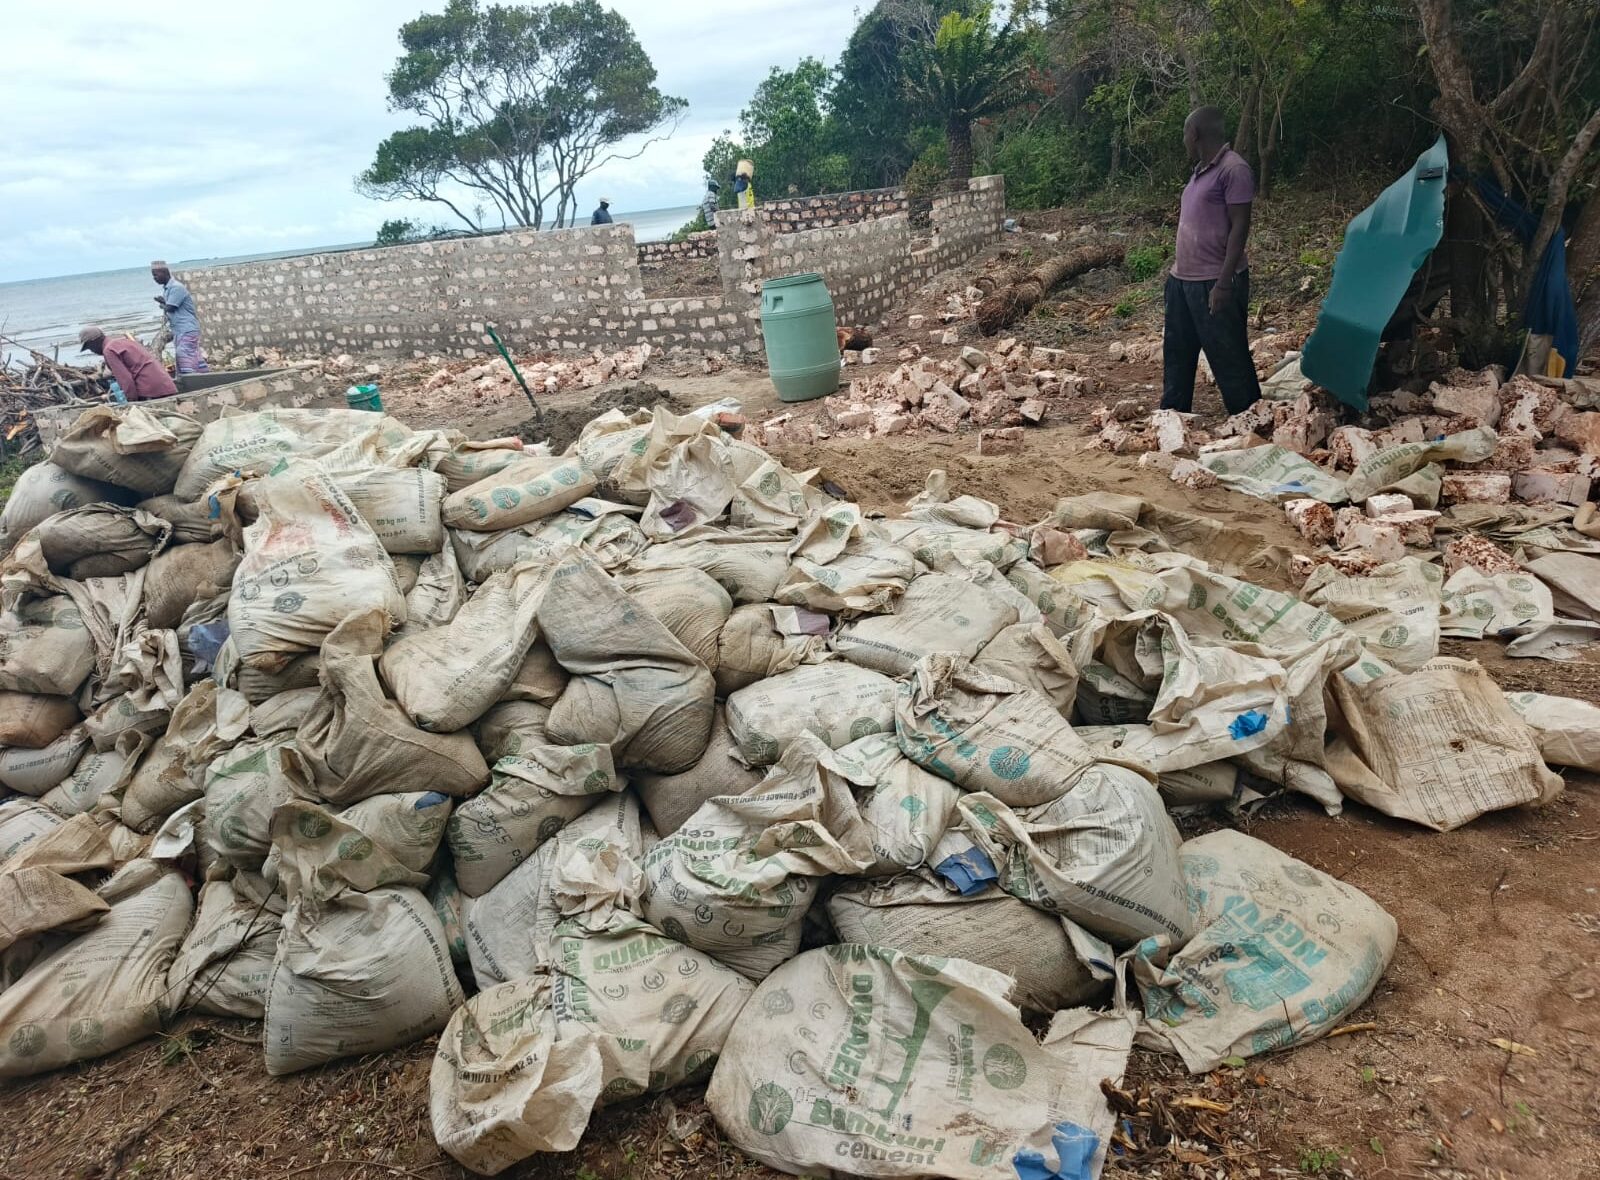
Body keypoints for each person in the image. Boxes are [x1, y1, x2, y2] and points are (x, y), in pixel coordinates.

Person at [1162, 107, 1261, 415]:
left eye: (1184, 134)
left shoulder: (1234, 170)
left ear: (1195, 134)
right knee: (1178, 354)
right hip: (1183, 281)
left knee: (1228, 356)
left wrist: (1223, 282)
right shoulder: (1199, 172)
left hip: (1213, 281)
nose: (1183, 140)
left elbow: (1240, 227)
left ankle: (1249, 419)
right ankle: (1172, 418)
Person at [79, 326, 177, 401]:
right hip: (165, 383)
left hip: (151, 390)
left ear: (94, 342)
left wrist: (131, 402)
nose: (92, 351)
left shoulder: (109, 350)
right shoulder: (123, 341)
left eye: (90, 347)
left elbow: (125, 380)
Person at [151, 260, 209, 374]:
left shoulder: (176, 288)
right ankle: (205, 377)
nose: (154, 278)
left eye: (156, 275)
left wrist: (163, 304)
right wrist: (164, 303)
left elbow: (171, 308)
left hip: (186, 329)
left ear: (164, 273)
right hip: (180, 330)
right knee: (194, 357)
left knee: (183, 356)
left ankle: (191, 381)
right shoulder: (168, 289)